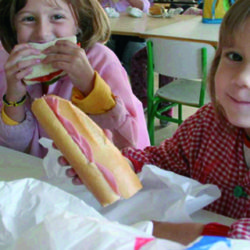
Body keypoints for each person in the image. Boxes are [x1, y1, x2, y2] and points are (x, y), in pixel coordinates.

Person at [63, 0, 250, 244]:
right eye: (234, 56)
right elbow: (162, 162)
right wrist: (111, 164)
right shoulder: (208, 124)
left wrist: (151, 230)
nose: (243, 78)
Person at [0, 0, 150, 158]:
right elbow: (13, 150)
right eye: (28, 19)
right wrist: (14, 96)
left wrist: (89, 85)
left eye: (57, 16)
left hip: (90, 177)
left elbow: (128, 143)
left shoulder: (100, 61)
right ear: (13, 27)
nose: (42, 33)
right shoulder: (9, 66)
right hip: (34, 177)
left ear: (79, 23)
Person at [100, 0, 151, 75]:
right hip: (113, 33)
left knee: (134, 52)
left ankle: (128, 83)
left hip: (135, 34)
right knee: (105, 52)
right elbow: (95, 7)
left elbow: (143, 7)